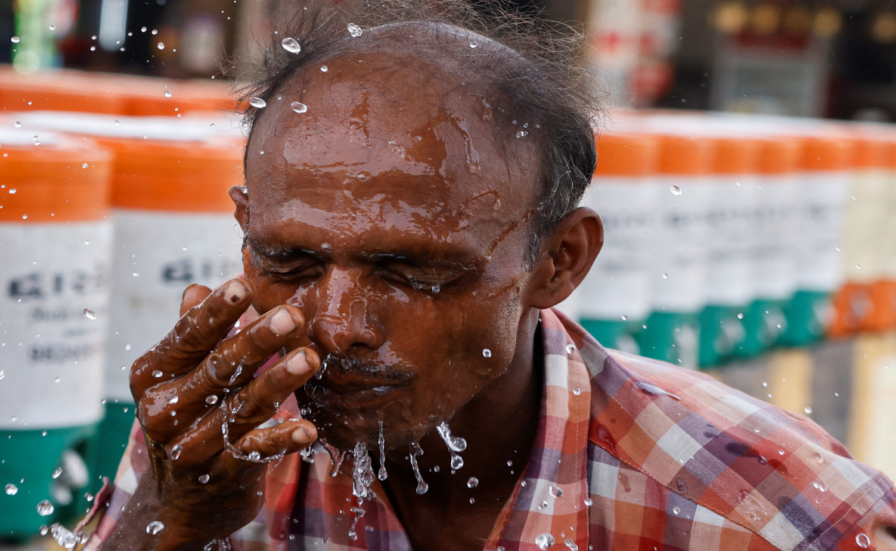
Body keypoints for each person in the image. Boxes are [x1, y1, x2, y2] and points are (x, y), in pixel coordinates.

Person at [85, 2, 896, 550]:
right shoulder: (215, 440)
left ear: (558, 261)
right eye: (289, 261)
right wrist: (167, 521)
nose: (336, 323)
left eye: (411, 270)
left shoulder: (770, 510)